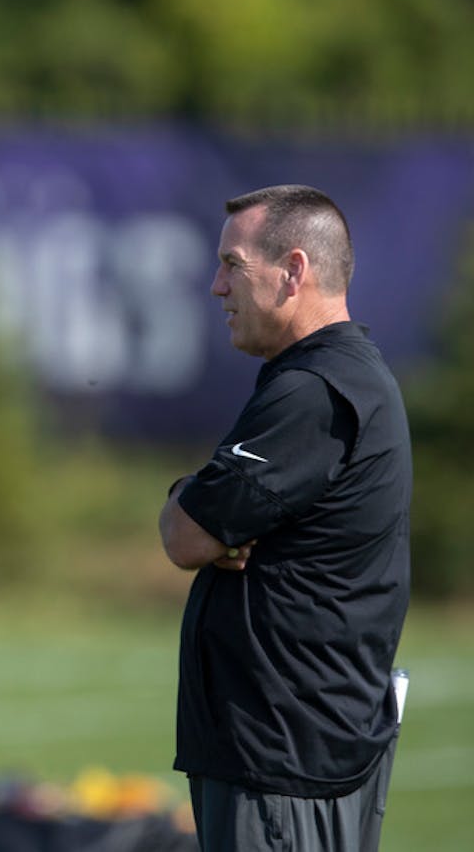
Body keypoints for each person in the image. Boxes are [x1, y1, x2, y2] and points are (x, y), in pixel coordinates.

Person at [158, 185, 411, 851]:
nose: (216, 286)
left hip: (283, 760)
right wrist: (202, 498)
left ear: (293, 270)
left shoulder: (314, 391)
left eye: (232, 265)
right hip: (292, 754)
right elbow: (204, 518)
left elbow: (184, 535)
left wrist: (194, 502)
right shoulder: (329, 376)